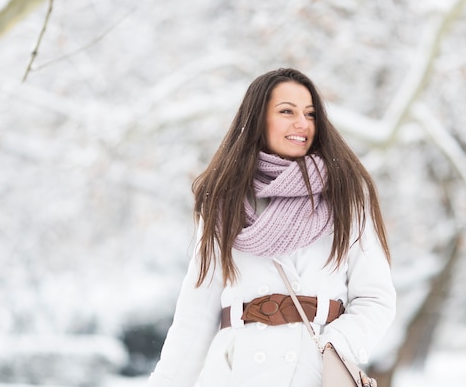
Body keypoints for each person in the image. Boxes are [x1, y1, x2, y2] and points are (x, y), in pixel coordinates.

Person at [148, 68, 396, 387]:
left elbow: (376, 299)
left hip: (314, 372)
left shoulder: (346, 194)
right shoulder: (224, 201)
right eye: (286, 112)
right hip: (236, 373)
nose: (302, 123)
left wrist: (336, 345)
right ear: (258, 119)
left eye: (310, 114)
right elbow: (196, 314)